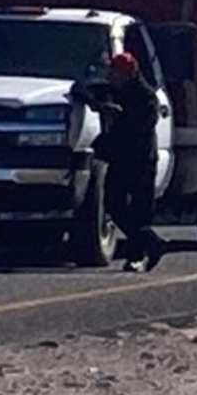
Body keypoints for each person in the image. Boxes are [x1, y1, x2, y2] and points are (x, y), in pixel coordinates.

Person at [74, 52, 167, 272]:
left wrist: (119, 117)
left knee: (139, 210)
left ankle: (137, 255)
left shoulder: (146, 97)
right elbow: (80, 89)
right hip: (120, 160)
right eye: (112, 72)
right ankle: (151, 244)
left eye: (117, 73)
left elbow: (141, 128)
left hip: (141, 161)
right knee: (114, 204)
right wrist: (97, 104)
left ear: (130, 73)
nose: (112, 77)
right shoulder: (113, 91)